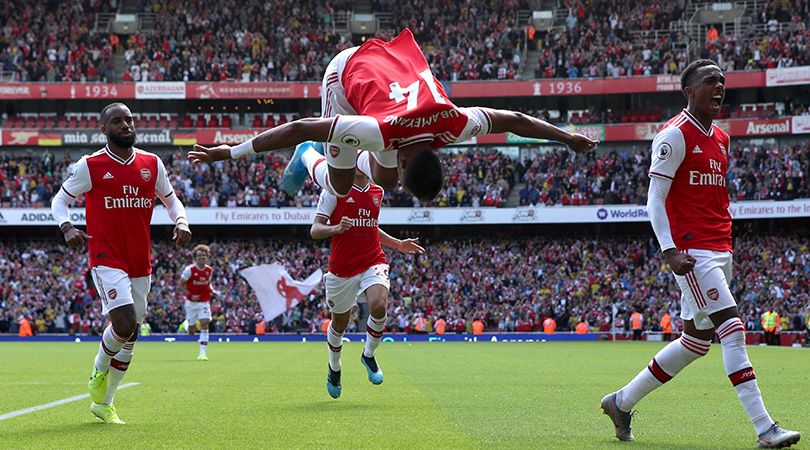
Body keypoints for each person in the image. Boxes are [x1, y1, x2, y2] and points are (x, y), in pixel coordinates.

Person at [599, 60, 800, 449]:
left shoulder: (721, 139)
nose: (719, 87)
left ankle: (620, 403)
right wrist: (670, 250)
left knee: (694, 343)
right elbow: (654, 199)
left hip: (719, 249)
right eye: (710, 81)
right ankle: (765, 429)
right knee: (734, 331)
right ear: (689, 91)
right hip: (691, 252)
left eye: (723, 82)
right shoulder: (674, 135)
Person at [188, 29, 598, 205]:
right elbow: (298, 127)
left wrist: (570, 137)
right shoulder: (374, 131)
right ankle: (309, 158)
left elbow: (513, 120)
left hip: (387, 70)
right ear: (407, 160)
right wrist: (230, 152)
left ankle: (336, 153)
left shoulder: (453, 124)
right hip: (346, 74)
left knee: (382, 184)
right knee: (343, 186)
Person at [51, 102, 191, 424]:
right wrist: (68, 227)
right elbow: (60, 200)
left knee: (132, 334)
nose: (125, 125)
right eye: (117, 121)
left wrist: (181, 221)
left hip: (139, 258)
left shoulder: (152, 163)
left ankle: (105, 403)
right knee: (125, 323)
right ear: (104, 129)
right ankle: (99, 369)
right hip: (106, 256)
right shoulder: (91, 165)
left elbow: (170, 199)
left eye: (128, 119)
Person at [310, 162, 424, 399]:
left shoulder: (377, 191)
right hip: (342, 268)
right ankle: (335, 368)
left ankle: (369, 355)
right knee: (339, 325)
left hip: (373, 260)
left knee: (379, 305)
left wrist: (398, 244)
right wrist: (336, 228)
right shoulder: (334, 189)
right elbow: (315, 229)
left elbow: (372, 228)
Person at [178, 244, 217, 361]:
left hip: (204, 301)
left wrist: (212, 290)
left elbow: (207, 283)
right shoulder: (189, 270)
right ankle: (186, 324)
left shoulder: (209, 270)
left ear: (207, 257)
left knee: (205, 323)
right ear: (195, 257)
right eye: (199, 255)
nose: (202, 257)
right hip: (191, 303)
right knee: (192, 332)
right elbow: (181, 285)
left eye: (204, 255)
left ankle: (202, 354)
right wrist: (190, 295)